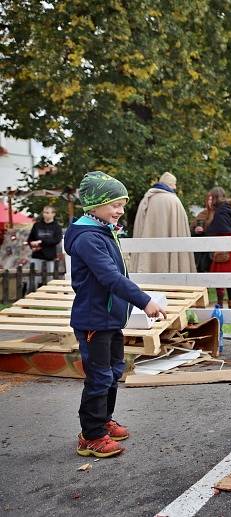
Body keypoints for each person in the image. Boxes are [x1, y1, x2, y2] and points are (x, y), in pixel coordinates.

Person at [64, 171, 166, 458]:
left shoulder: (103, 231)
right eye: (114, 205)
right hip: (93, 320)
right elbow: (110, 277)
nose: (120, 211)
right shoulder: (87, 238)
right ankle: (91, 435)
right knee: (98, 376)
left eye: (122, 204)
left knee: (112, 372)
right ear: (94, 205)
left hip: (109, 320)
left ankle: (104, 420)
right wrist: (144, 301)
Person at [129, 172, 196, 273]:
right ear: (170, 184)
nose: (175, 187)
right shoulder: (173, 201)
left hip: (148, 246)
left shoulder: (146, 199)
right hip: (168, 250)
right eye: (174, 184)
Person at [205, 187, 231, 308]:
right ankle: (224, 307)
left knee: (227, 279)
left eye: (210, 198)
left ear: (215, 198)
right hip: (228, 251)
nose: (208, 201)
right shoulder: (229, 209)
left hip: (225, 252)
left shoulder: (221, 212)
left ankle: (229, 308)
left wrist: (229, 241)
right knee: (226, 279)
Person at [26, 205, 63, 281]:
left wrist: (41, 242)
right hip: (36, 256)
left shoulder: (57, 227)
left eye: (47, 212)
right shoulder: (36, 225)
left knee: (50, 281)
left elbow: (57, 240)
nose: (45, 214)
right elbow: (30, 239)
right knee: (34, 280)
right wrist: (32, 245)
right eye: (44, 212)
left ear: (53, 214)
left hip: (50, 257)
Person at [191, 192, 215, 273]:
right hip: (201, 250)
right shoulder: (203, 213)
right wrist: (195, 230)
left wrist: (205, 230)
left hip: (214, 248)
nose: (211, 202)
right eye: (209, 199)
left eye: (213, 199)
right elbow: (191, 228)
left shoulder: (220, 214)